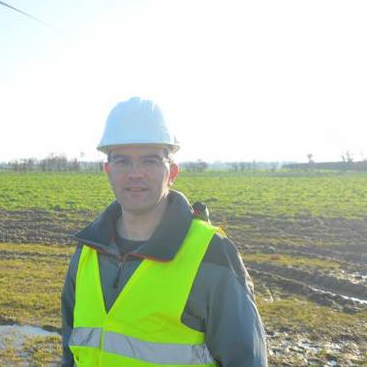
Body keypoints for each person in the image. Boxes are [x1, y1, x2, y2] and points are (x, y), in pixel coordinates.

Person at [61, 97, 267, 366]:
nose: (135, 174)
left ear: (172, 172)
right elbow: (71, 350)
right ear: (108, 171)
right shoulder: (87, 250)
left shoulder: (211, 253)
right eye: (122, 161)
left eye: (149, 161)